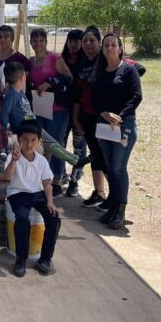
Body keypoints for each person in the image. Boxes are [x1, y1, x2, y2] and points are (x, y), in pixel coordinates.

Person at [91, 33, 143, 230]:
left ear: (120, 48)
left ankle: (120, 211)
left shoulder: (129, 70)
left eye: (114, 45)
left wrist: (119, 116)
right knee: (110, 168)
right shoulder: (100, 72)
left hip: (124, 125)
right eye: (107, 45)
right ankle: (113, 208)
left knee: (118, 168)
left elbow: (137, 96)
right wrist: (105, 113)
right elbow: (95, 100)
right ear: (103, 50)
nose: (110, 48)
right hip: (105, 126)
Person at [0, 62, 88, 173]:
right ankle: (75, 160)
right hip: (26, 128)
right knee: (52, 144)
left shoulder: (19, 92)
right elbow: (4, 113)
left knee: (47, 149)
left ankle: (45, 174)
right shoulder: (11, 94)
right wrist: (6, 129)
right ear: (23, 77)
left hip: (32, 126)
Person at [3, 121, 62, 277]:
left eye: (33, 140)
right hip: (18, 193)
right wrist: (14, 161)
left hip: (37, 193)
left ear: (39, 141)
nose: (29, 144)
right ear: (18, 140)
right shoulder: (13, 156)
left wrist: (50, 202)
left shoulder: (41, 160)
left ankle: (45, 259)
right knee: (22, 219)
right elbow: (7, 177)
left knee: (54, 218)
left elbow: (47, 183)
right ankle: (21, 259)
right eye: (25, 139)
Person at [28, 27, 74, 196]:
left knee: (55, 144)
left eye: (41, 40)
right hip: (39, 108)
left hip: (58, 109)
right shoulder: (30, 61)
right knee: (41, 143)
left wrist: (50, 82)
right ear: (31, 42)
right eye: (35, 40)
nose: (38, 44)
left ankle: (57, 180)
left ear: (46, 42)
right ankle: (42, 178)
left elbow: (69, 77)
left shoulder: (55, 58)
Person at [71, 26, 109, 209]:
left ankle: (116, 196)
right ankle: (99, 192)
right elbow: (77, 94)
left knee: (107, 157)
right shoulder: (82, 63)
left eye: (91, 40)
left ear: (99, 42)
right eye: (85, 41)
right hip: (87, 116)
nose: (87, 44)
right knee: (95, 155)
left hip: (105, 118)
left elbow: (136, 70)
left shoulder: (107, 61)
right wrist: (77, 119)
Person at [61, 29, 86, 197]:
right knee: (60, 144)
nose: (73, 44)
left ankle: (74, 180)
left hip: (80, 111)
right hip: (62, 109)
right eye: (71, 40)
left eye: (77, 41)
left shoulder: (88, 62)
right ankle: (61, 174)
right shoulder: (61, 60)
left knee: (79, 147)